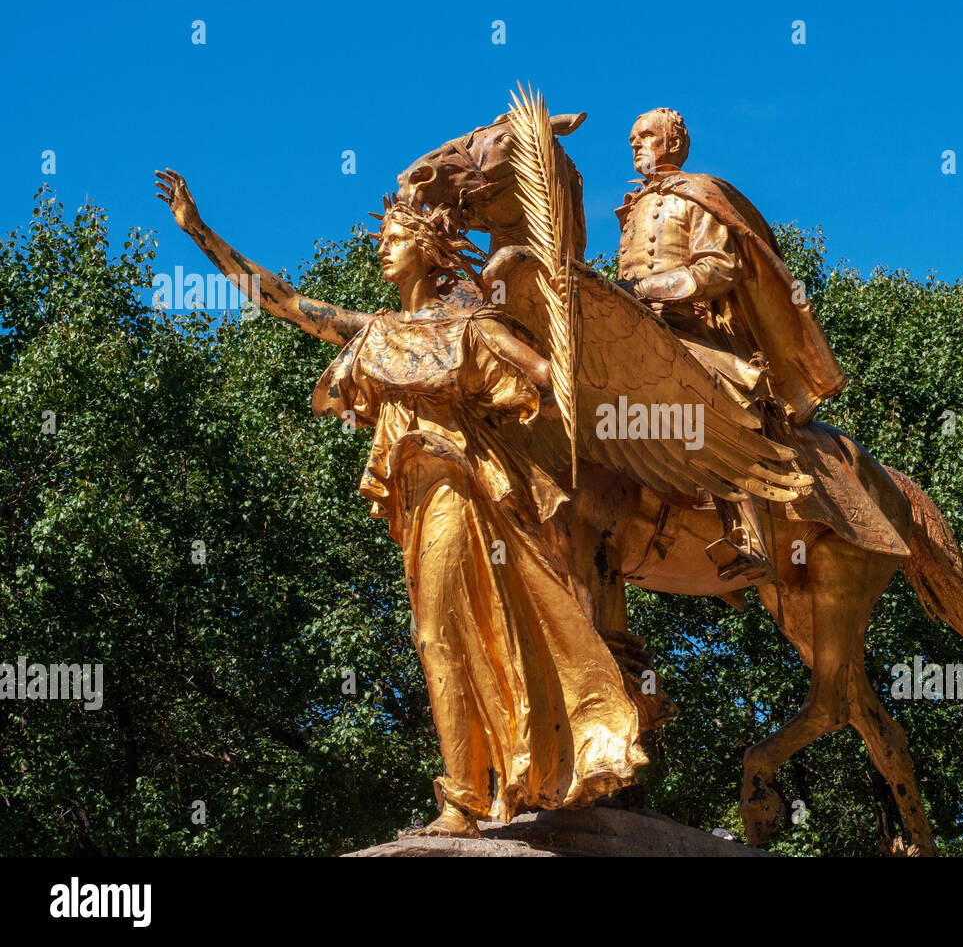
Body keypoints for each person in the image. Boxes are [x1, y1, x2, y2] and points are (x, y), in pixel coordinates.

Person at [156, 170, 648, 837]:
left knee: (437, 635)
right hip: (415, 509)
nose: (381, 251)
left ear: (430, 250)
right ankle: (483, 784)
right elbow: (284, 300)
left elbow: (548, 382)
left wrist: (564, 333)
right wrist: (200, 231)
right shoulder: (378, 332)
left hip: (459, 492)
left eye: (393, 240)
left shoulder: (470, 328)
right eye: (383, 239)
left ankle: (464, 799)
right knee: (452, 640)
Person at [615, 108, 846, 583]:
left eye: (646, 137)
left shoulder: (696, 195)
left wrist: (653, 290)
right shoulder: (633, 207)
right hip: (635, 326)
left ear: (673, 144)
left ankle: (748, 534)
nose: (636, 145)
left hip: (692, 330)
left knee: (718, 400)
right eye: (632, 139)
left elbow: (720, 267)